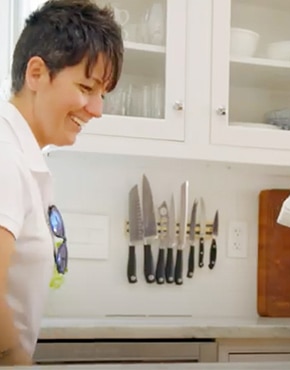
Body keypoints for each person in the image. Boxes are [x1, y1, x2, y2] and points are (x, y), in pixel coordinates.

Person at [0, 0, 123, 365]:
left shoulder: (22, 155)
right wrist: (17, 360)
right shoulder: (6, 157)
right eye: (87, 87)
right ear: (36, 73)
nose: (97, 109)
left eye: (102, 93)